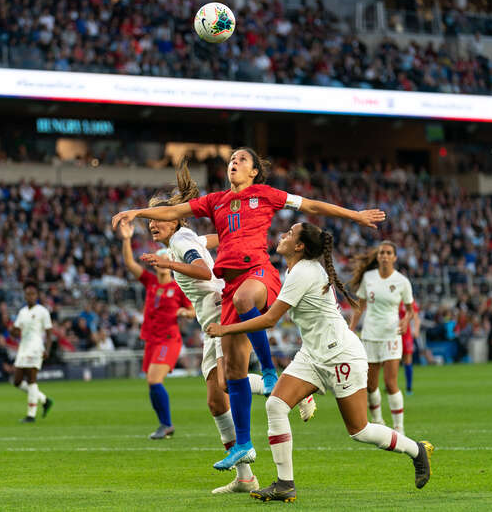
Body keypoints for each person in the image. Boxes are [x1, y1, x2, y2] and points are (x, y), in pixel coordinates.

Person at [112, 147, 385, 470]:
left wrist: (356, 216)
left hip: (258, 275)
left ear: (254, 171)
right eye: (231, 159)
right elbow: (177, 211)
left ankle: (270, 373)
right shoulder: (216, 201)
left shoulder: (266, 194)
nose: (234, 163)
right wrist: (136, 213)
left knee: (243, 301)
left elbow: (310, 205)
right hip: (230, 287)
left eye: (242, 159)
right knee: (233, 375)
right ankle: (243, 444)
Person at [207, 222, 433, 502]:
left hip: (341, 355)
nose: (283, 235)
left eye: (290, 234)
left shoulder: (303, 272)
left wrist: (224, 329)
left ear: (300, 246)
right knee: (275, 405)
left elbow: (270, 319)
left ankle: (416, 450)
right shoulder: (294, 270)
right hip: (313, 355)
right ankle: (284, 484)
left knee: (359, 431)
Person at [119, 217, 194, 439]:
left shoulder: (178, 287)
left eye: (162, 259)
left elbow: (193, 311)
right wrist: (126, 240)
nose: (159, 262)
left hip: (169, 338)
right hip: (151, 339)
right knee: (151, 383)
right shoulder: (151, 282)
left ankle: (167, 424)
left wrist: (185, 313)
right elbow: (130, 264)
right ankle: (164, 425)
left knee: (154, 380)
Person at [348, 241, 415, 435]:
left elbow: (410, 310)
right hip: (370, 335)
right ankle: (377, 421)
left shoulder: (402, 281)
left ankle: (399, 427)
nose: (384, 256)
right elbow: (360, 305)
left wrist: (405, 321)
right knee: (370, 385)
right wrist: (351, 329)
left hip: (391, 335)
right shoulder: (368, 277)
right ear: (377, 257)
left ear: (394, 257)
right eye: (382, 253)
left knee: (391, 383)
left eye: (388, 253)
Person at [11, 281, 54, 423]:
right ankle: (44, 399)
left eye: (33, 294)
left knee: (31, 379)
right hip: (23, 348)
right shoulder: (22, 312)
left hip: (35, 348)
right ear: (24, 295)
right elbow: (16, 330)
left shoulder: (43, 311)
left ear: (37, 295)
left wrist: (47, 350)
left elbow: (49, 333)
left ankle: (31, 415)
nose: (30, 296)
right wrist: (13, 331)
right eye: (28, 294)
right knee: (16, 381)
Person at [399, 301, 420, 394]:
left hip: (406, 334)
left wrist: (416, 330)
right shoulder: (391, 296)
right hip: (392, 334)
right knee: (391, 360)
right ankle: (390, 385)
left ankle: (409, 387)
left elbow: (416, 317)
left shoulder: (408, 300)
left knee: (407, 359)